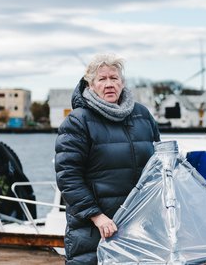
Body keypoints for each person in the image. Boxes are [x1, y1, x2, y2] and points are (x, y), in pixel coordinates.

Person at [54, 53, 160, 264]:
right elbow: (68, 177)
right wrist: (96, 216)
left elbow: (157, 165)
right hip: (95, 229)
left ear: (122, 83)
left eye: (114, 78)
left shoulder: (142, 116)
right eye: (102, 79)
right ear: (91, 85)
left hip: (139, 225)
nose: (109, 84)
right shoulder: (78, 122)